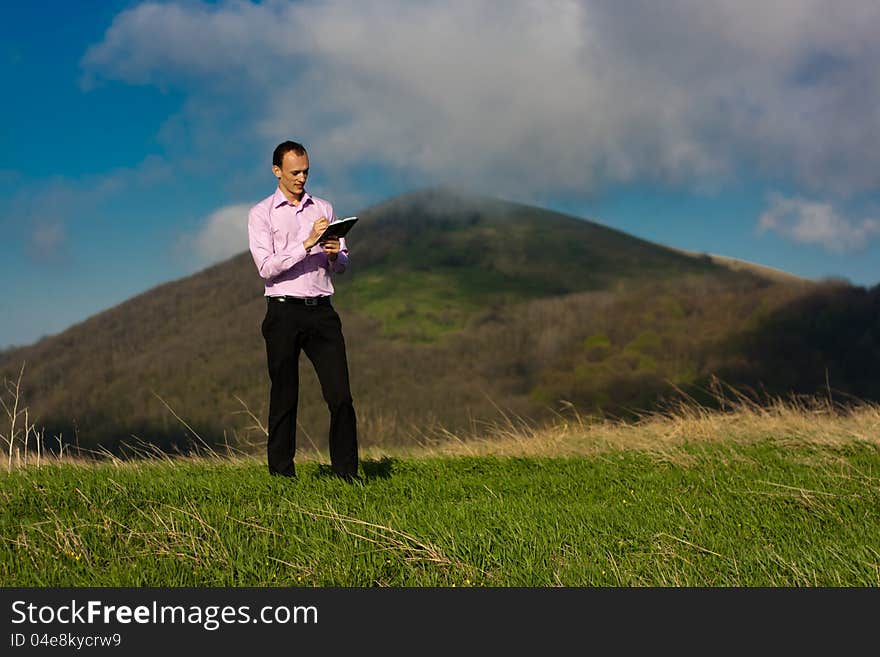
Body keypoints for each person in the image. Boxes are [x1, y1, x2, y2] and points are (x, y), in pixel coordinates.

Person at [247, 140, 359, 481]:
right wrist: (307, 243)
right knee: (284, 395)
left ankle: (347, 475)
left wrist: (333, 252)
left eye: (306, 171)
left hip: (322, 311)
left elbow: (341, 265)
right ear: (276, 171)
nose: (301, 178)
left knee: (340, 395)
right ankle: (281, 475)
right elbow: (266, 267)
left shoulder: (322, 206)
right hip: (283, 312)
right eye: (295, 172)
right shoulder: (261, 213)